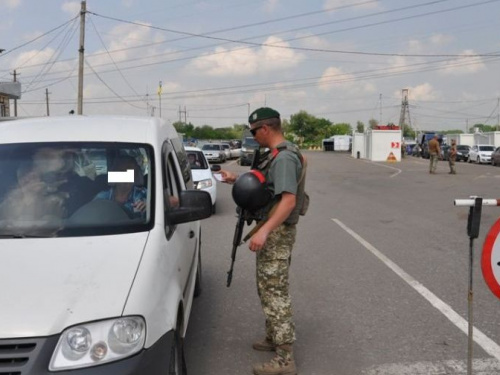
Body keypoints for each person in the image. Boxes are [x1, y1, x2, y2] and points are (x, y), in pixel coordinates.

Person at [220, 107, 306, 375]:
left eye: (255, 131)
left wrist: (264, 230)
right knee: (266, 287)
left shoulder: (284, 158)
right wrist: (235, 178)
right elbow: (267, 187)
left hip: (277, 231)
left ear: (266, 129)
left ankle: (285, 359)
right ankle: (273, 337)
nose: (254, 136)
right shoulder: (276, 156)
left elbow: (288, 200)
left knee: (275, 292)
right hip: (273, 228)